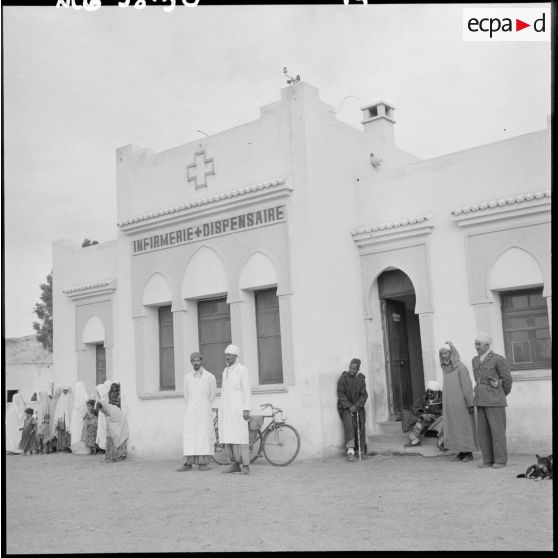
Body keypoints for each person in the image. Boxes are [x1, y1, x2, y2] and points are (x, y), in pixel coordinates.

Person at [472, 333, 512, 469]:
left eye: (479, 344)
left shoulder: (497, 359)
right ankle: (487, 460)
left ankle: (500, 460)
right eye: (476, 343)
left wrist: (499, 394)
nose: (476, 346)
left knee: (497, 431)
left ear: (487, 346)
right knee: (483, 432)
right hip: (480, 399)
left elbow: (507, 380)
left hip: (494, 400)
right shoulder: (475, 360)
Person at [177, 352, 217, 472]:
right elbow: (186, 395)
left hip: (204, 410)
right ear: (191, 363)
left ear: (201, 361)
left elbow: (212, 395)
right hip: (191, 410)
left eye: (197, 360)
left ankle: (202, 463)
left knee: (203, 436)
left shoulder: (210, 377)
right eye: (193, 361)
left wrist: (204, 405)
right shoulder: (187, 377)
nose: (196, 363)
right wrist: (193, 406)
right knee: (190, 436)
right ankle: (187, 463)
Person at [439, 341, 478, 462]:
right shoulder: (445, 369)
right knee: (455, 428)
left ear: (451, 354)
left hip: (462, 404)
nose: (444, 356)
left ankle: (468, 452)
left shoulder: (461, 368)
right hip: (451, 405)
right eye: (442, 354)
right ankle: (460, 451)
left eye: (446, 353)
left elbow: (467, 386)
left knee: (464, 427)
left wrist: (470, 403)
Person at [219, 344, 251, 474]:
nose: (227, 357)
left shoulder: (242, 370)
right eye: (226, 355)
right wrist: (222, 408)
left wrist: (246, 409)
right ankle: (234, 464)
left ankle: (245, 465)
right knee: (228, 436)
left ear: (236, 356)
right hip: (227, 409)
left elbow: (246, 390)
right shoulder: (224, 371)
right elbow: (223, 391)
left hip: (238, 409)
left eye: (230, 355)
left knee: (241, 437)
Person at [337, 358, 368, 461]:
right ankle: (350, 451)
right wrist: (350, 406)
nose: (351, 370)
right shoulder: (343, 379)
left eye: (354, 369)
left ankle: (361, 450)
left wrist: (357, 406)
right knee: (349, 424)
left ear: (358, 369)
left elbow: (364, 395)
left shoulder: (361, 379)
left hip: (358, 407)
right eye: (350, 367)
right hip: (346, 407)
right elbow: (341, 394)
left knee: (361, 425)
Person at [401, 381, 443, 448]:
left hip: (435, 421)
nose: (429, 394)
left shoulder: (443, 400)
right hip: (422, 418)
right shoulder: (424, 398)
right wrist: (421, 413)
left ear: (437, 392)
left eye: (431, 392)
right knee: (405, 413)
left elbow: (444, 411)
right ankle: (415, 440)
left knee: (441, 419)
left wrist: (432, 416)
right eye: (428, 391)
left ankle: (441, 442)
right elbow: (415, 406)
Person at [96, 386, 129, 463]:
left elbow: (117, 418)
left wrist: (111, 422)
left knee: (115, 440)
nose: (102, 410)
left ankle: (115, 457)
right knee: (109, 441)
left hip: (117, 427)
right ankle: (109, 457)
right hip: (110, 428)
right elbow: (107, 415)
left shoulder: (114, 409)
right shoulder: (106, 409)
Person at [70, 381, 90, 455]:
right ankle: (77, 449)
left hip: (79, 419)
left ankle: (78, 449)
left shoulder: (82, 398)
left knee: (79, 433)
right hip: (77, 419)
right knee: (77, 433)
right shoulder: (85, 398)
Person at [53, 385, 73, 452]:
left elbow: (71, 409)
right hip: (61, 419)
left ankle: (67, 447)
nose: (65, 392)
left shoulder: (71, 398)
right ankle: (60, 447)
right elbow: (58, 409)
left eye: (66, 390)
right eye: (63, 390)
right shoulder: (61, 398)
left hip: (68, 419)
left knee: (67, 433)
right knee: (60, 433)